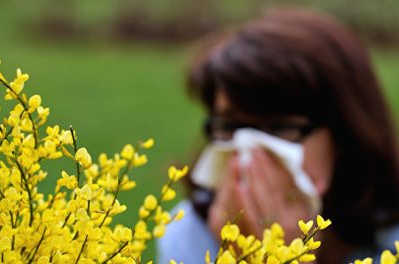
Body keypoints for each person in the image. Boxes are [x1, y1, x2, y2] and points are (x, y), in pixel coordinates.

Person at [156, 7, 399, 264]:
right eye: (230, 126)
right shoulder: (190, 235)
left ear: (345, 134)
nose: (251, 151)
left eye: (281, 127)